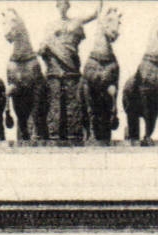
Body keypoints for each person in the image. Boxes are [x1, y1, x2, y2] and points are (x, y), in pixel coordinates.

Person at [39, 0, 102, 140]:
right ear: (57, 6)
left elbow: (94, 15)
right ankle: (53, 133)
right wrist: (43, 48)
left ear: (68, 6)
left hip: (72, 69)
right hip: (54, 71)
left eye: (65, 4)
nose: (62, 7)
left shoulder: (75, 22)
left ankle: (75, 133)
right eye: (60, 4)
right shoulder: (50, 26)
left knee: (74, 103)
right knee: (53, 104)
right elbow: (44, 46)